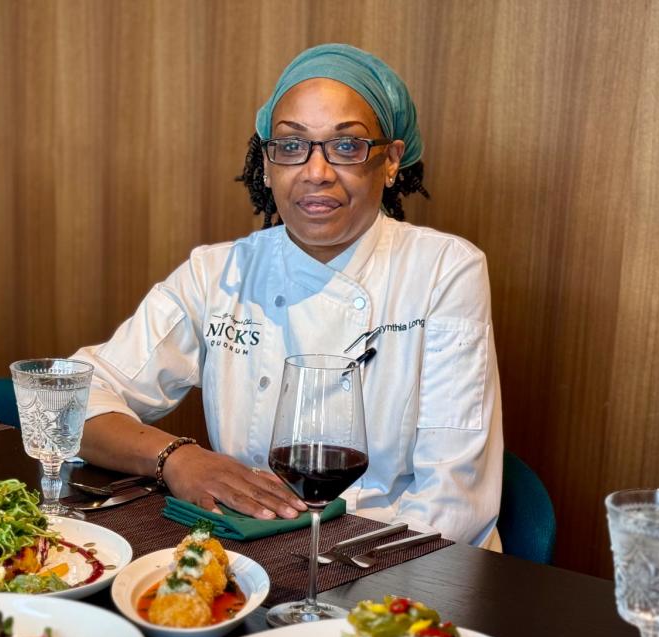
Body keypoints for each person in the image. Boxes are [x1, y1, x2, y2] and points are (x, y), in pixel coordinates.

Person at [73, 43, 503, 548]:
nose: (316, 172)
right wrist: (176, 458)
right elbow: (70, 400)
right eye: (292, 145)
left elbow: (453, 504)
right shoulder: (217, 273)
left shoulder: (445, 270)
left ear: (390, 162)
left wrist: (335, 575)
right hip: (251, 547)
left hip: (397, 557)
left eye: (347, 146)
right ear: (267, 163)